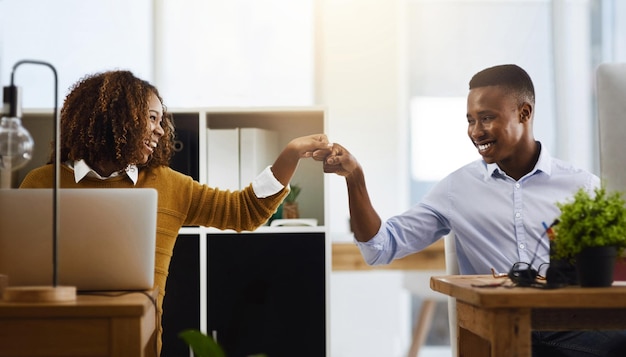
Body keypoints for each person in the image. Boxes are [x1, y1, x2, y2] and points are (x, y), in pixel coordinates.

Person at [316, 64, 626, 356]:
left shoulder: (582, 185)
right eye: (470, 119)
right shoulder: (457, 189)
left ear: (524, 113)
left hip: (573, 325)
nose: (476, 131)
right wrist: (355, 179)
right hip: (503, 329)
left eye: (487, 117)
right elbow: (379, 247)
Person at [19, 70, 331, 354]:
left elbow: (244, 212)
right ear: (115, 119)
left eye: (160, 120)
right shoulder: (43, 184)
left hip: (133, 346)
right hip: (49, 343)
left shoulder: (168, 185)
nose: (159, 131)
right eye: (151, 118)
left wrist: (290, 155)